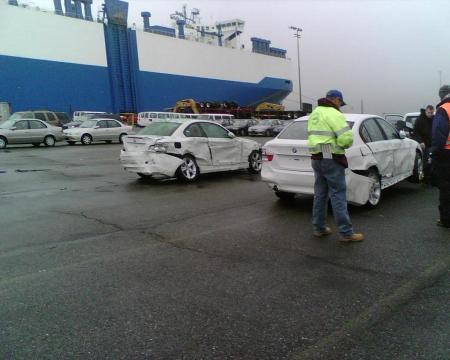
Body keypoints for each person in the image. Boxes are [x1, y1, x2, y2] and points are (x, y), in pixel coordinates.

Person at [307, 90, 364, 242]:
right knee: (338, 194)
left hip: (316, 157)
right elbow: (346, 139)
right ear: (337, 100)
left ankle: (319, 228)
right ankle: (346, 233)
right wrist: (339, 144)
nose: (341, 106)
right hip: (330, 157)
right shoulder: (334, 113)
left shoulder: (315, 113)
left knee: (320, 194)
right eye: (340, 103)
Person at [430, 85, 450, 228]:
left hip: (446, 154)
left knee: (445, 188)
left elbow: (439, 135)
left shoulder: (443, 110)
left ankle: (446, 219)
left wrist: (433, 152)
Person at [413, 105, 434, 183]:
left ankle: (431, 178)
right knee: (426, 162)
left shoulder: (433, 119)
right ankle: (426, 179)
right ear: (426, 111)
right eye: (429, 112)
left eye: (432, 113)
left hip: (432, 143)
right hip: (424, 144)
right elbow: (415, 132)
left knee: (433, 161)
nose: (430, 114)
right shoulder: (420, 120)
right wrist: (420, 141)